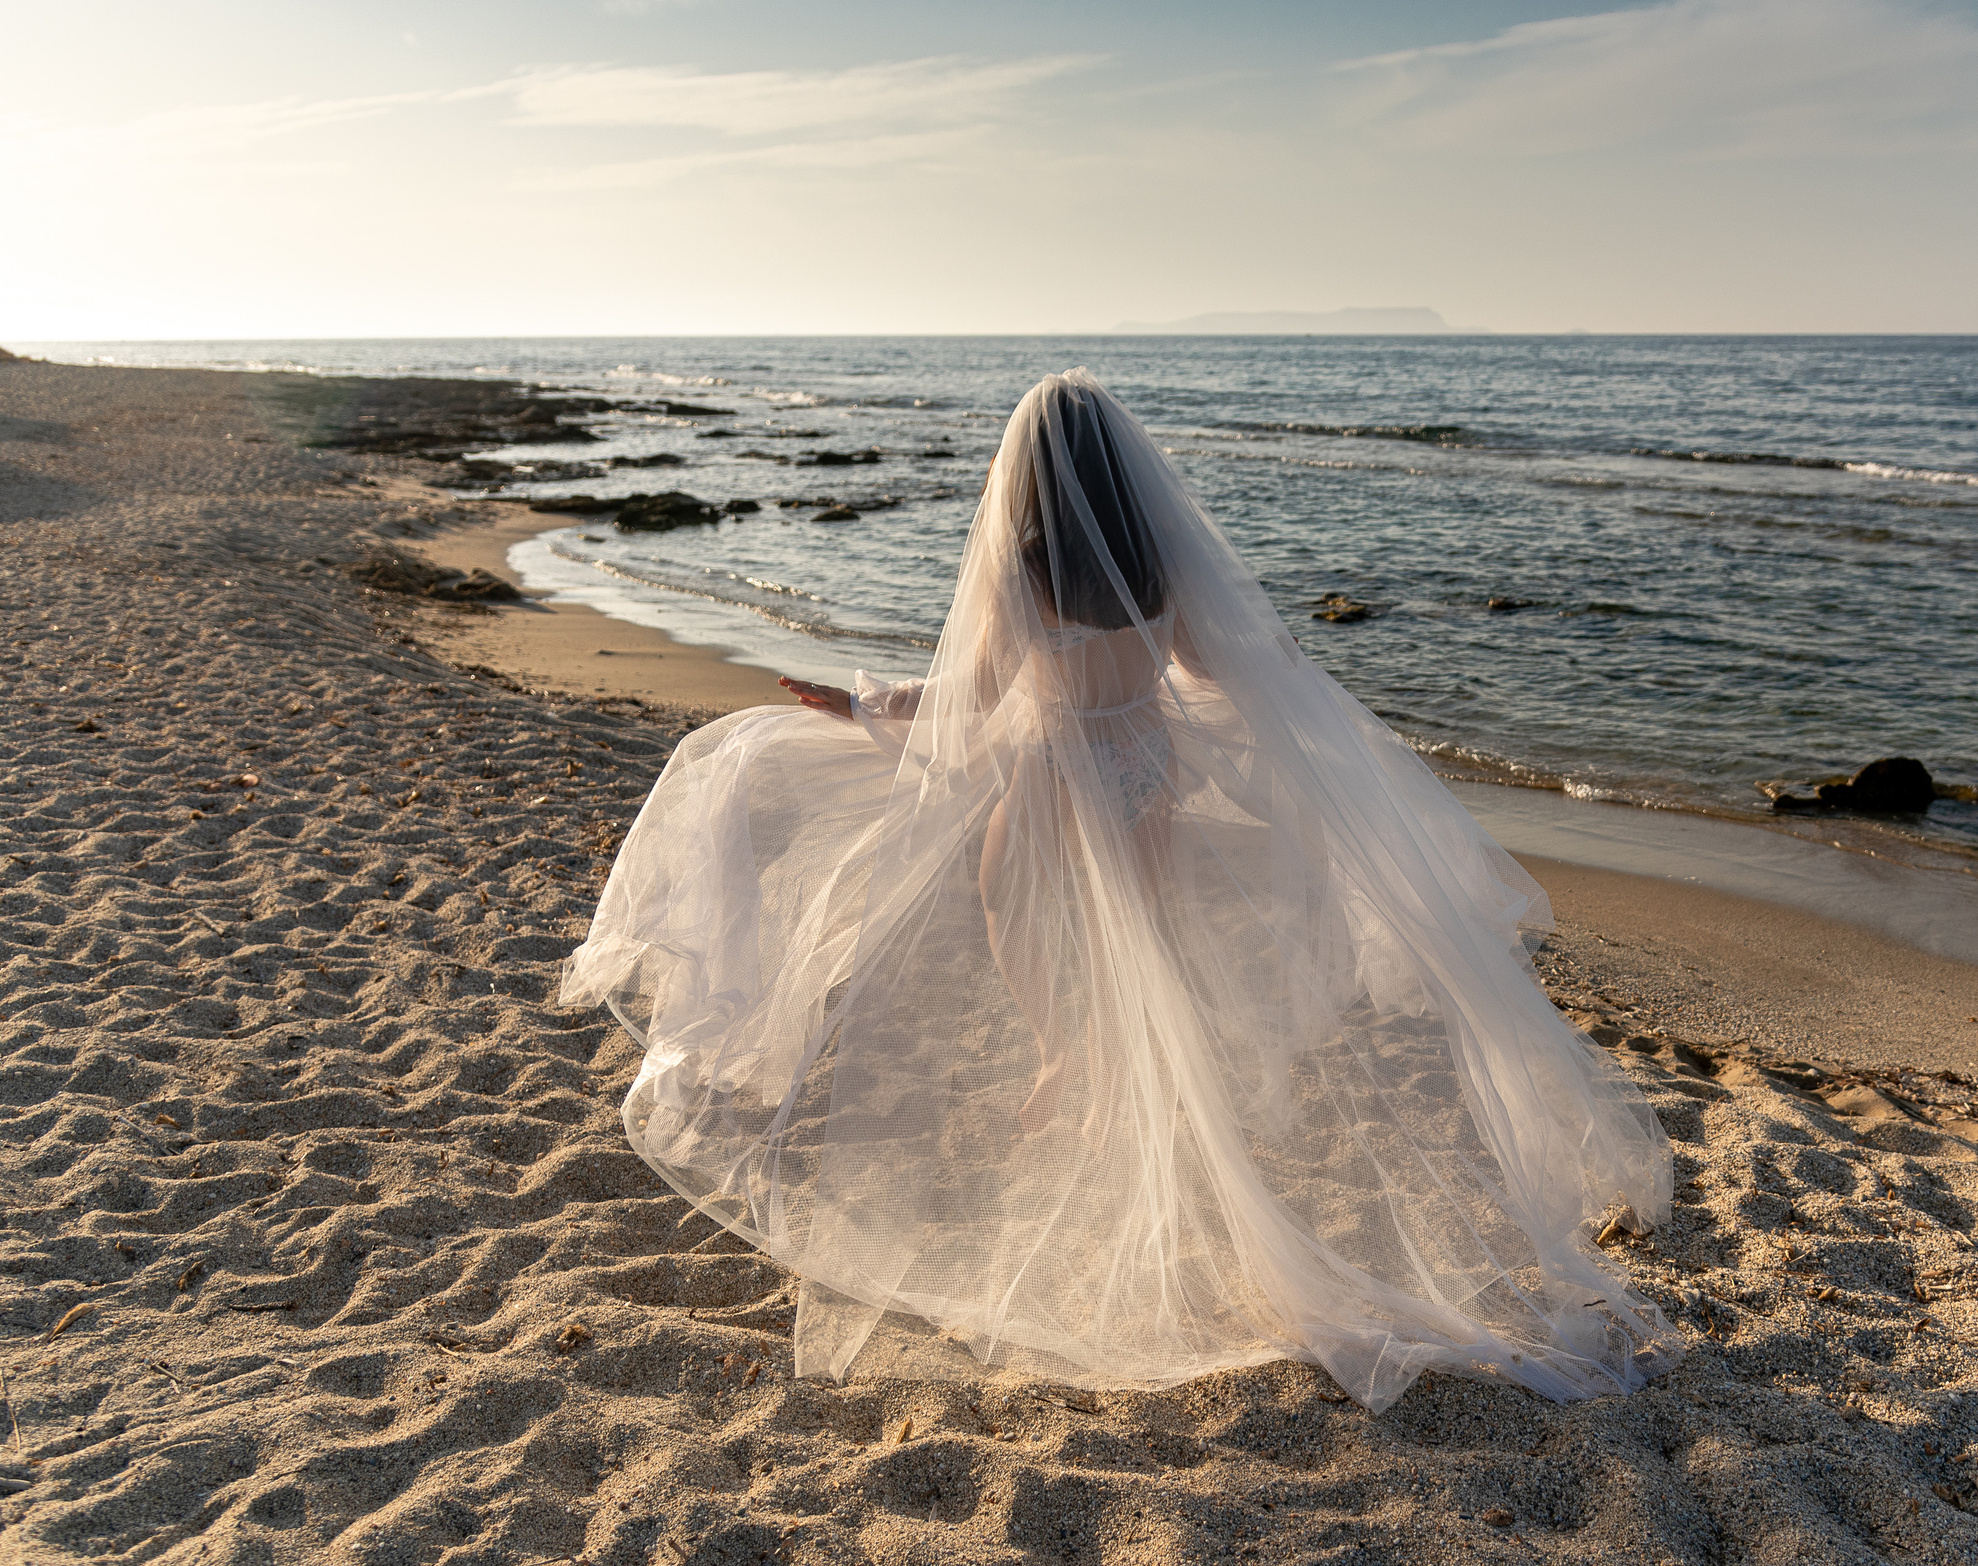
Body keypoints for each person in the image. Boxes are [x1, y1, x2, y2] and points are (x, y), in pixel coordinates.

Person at [563, 369, 1675, 1410]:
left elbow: (972, 691)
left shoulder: (1023, 563)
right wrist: (1281, 681)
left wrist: (864, 704)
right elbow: (1216, 669)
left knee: (1011, 911)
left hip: (1051, 774)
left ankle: (1063, 1050)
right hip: (1139, 771)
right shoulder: (1153, 567)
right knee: (1131, 943)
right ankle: (1097, 1061)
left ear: (1033, 474)